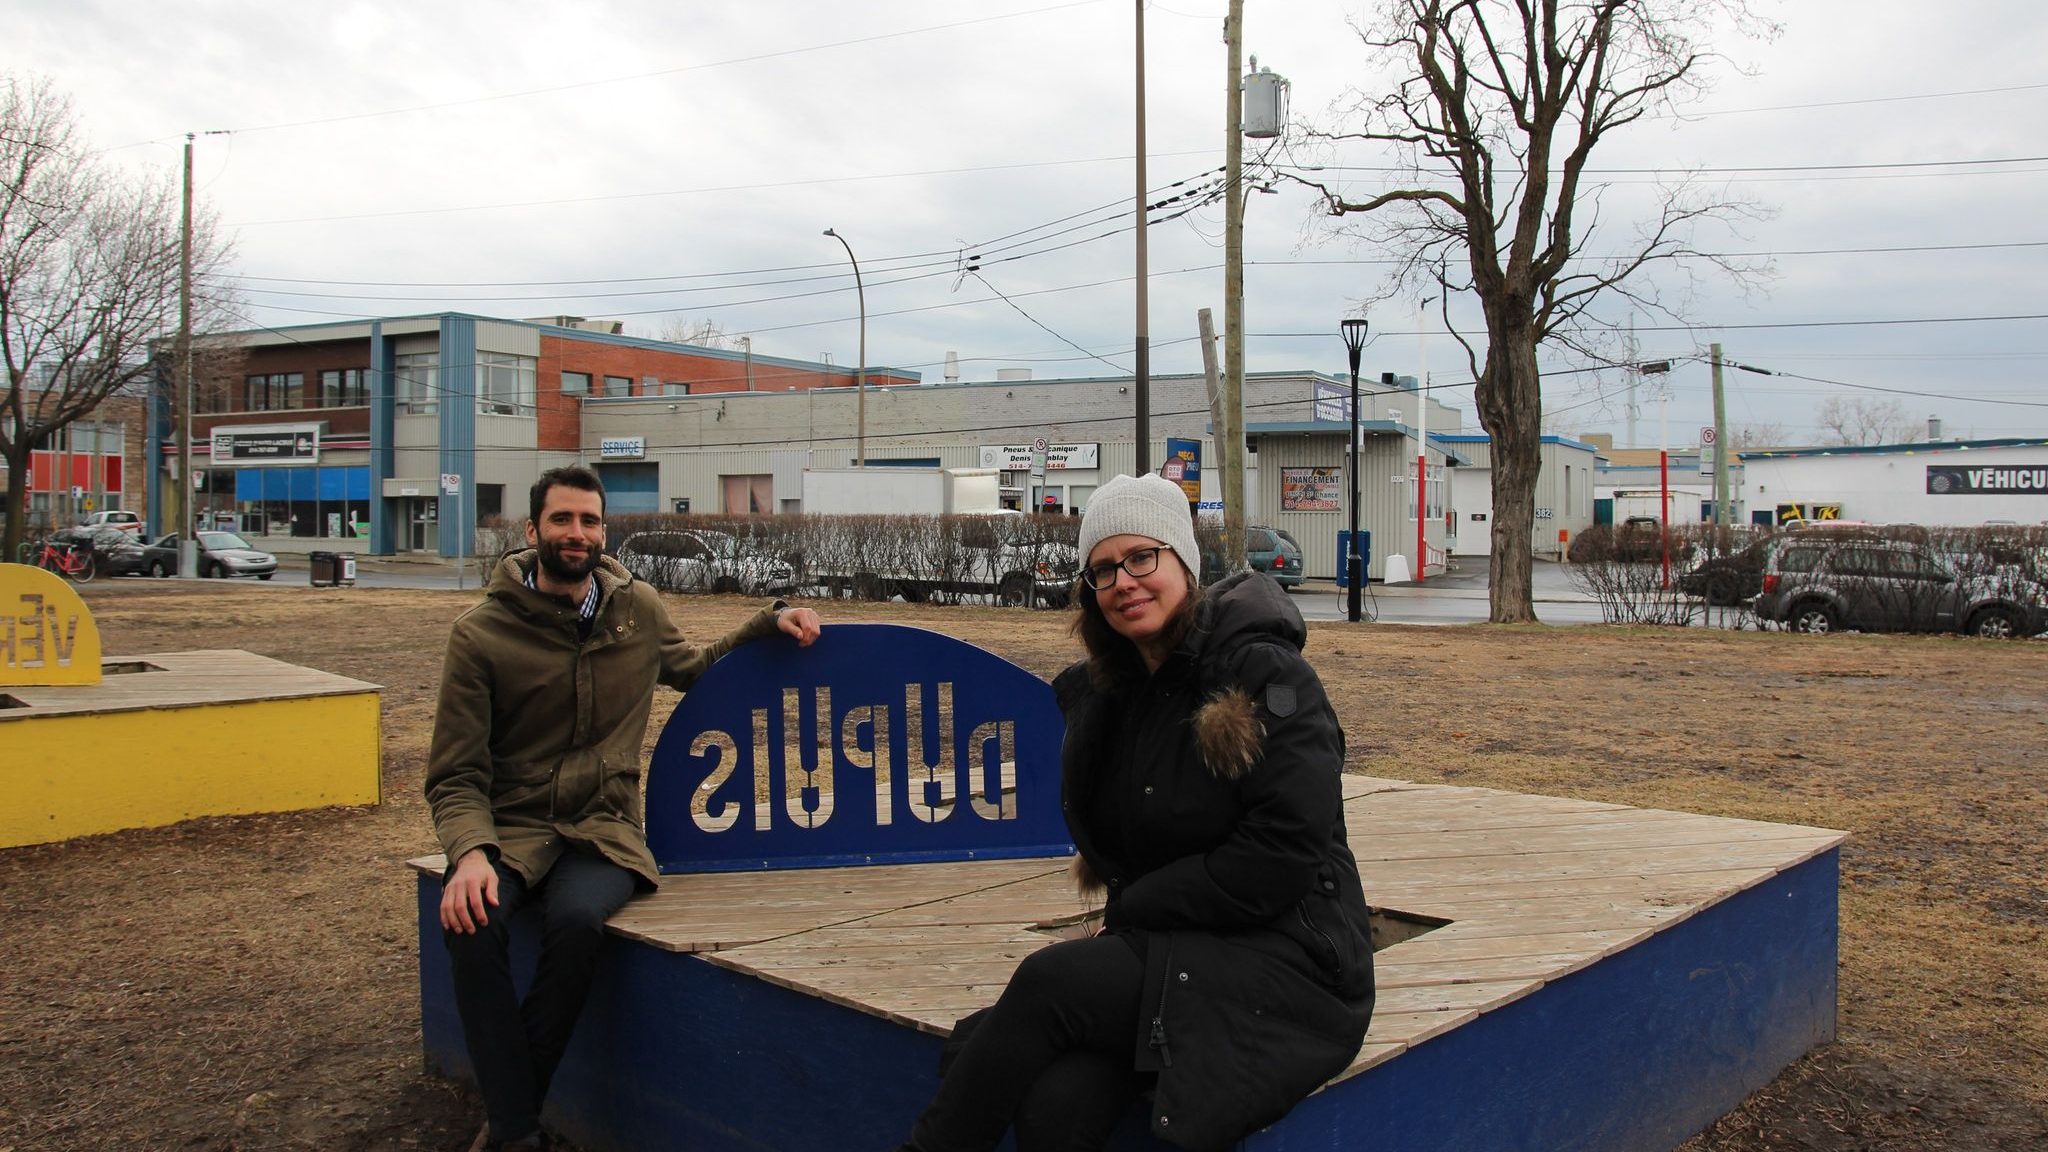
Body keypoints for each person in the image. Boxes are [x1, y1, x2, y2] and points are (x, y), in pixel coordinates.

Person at [900, 472, 1374, 1152]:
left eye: (1141, 558)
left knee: (1050, 980)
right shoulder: (1116, 697)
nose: (1123, 582)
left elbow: (1284, 853)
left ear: (1184, 563)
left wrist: (1133, 912)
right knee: (1058, 1099)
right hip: (1182, 945)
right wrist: (1134, 919)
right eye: (1103, 569)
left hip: (1293, 961)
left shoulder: (1263, 675)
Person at [427, 465, 821, 1152]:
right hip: (511, 828)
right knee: (472, 924)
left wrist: (769, 622)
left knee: (578, 922)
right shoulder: (480, 634)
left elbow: (693, 669)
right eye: (561, 519)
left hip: (601, 829)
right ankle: (519, 1131)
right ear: (532, 531)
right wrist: (469, 854)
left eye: (589, 521)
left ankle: (511, 1122)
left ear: (603, 533)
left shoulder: (636, 609)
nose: (576, 533)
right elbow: (455, 773)